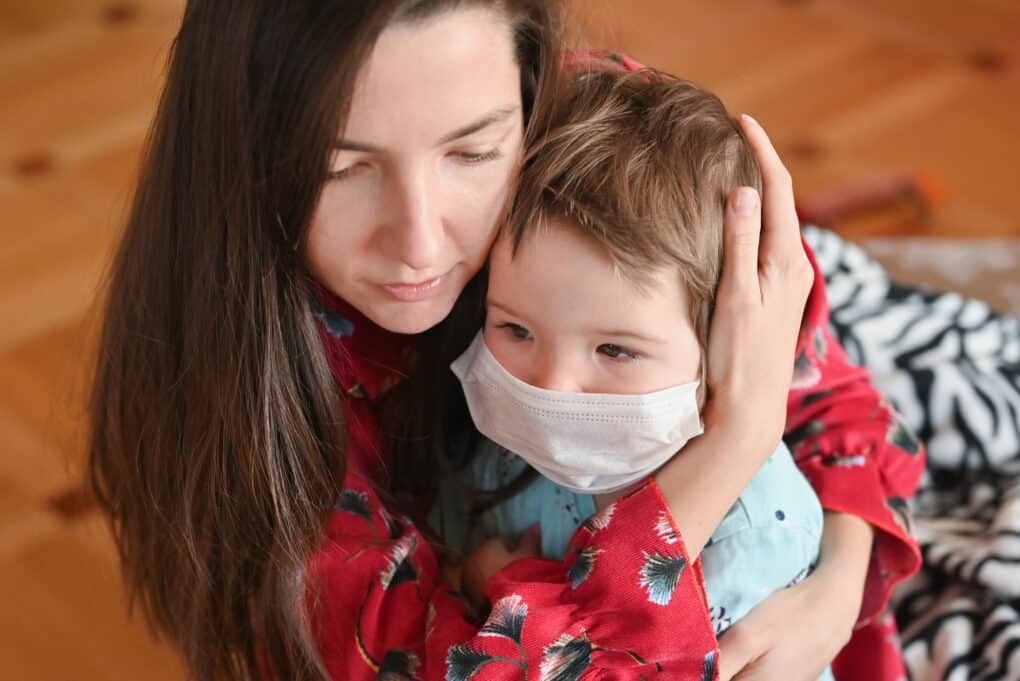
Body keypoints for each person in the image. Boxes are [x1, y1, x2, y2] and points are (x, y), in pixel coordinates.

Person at [85, 2, 924, 680]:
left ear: (531, 95)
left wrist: (838, 584)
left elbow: (824, 392)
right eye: (342, 169)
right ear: (242, 159)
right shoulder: (243, 401)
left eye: (474, 151)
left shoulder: (585, 136)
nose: (418, 242)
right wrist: (731, 445)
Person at [438, 68, 836, 681]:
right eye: (516, 330)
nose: (551, 385)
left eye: (616, 350)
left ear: (729, 345)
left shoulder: (752, 540)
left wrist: (502, 586)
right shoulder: (501, 451)